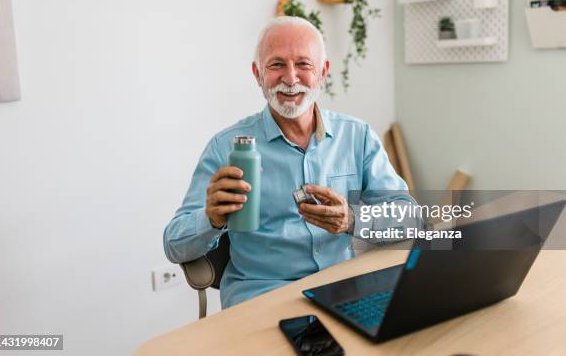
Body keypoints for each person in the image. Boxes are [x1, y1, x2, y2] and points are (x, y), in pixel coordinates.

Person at [163, 16, 421, 308]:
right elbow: (174, 245)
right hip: (263, 300)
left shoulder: (357, 136)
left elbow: (410, 219)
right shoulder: (225, 148)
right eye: (276, 65)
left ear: (323, 71)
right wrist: (211, 219)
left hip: (344, 291)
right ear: (257, 74)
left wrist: (352, 219)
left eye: (303, 64)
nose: (290, 78)